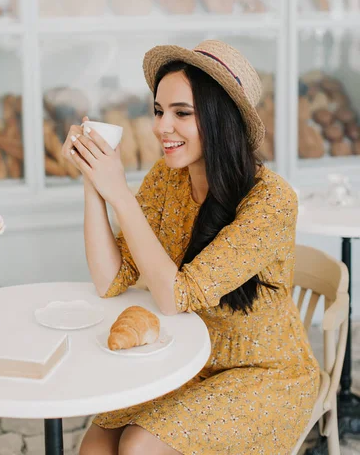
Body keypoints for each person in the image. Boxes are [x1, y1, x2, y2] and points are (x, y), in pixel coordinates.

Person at [62, 40, 319, 455]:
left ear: (221, 120)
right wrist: (94, 184)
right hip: (188, 360)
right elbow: (111, 279)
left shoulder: (271, 200)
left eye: (182, 113)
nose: (163, 127)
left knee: (138, 445)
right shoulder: (167, 179)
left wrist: (121, 196)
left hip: (264, 373)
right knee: (95, 445)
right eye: (159, 111)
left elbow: (174, 297)